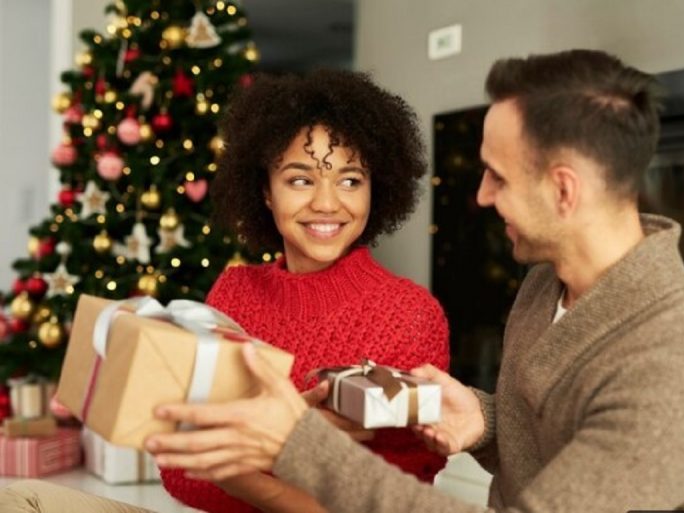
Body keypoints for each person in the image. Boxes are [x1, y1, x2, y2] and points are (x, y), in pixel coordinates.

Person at [144, 49, 684, 513]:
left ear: (563, 189)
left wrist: (288, 442)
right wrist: (486, 422)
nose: (482, 196)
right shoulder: (546, 288)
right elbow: (554, 441)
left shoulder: (682, 368)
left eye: (497, 176)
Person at [0, 70, 449, 513]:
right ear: (266, 193)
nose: (328, 203)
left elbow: (393, 504)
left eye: (350, 180)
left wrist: (248, 459)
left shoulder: (410, 314)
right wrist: (272, 452)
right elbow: (179, 476)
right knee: (20, 499)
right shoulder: (235, 292)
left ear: (378, 188)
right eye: (300, 179)